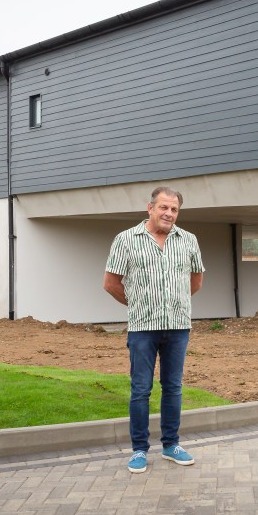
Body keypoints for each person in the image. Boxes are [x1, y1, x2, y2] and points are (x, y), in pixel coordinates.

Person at [103, 186, 205, 474]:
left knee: (173, 387)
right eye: (163, 207)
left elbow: (195, 282)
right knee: (140, 389)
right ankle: (139, 450)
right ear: (150, 208)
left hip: (178, 327)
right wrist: (137, 303)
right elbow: (111, 283)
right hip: (142, 329)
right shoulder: (125, 240)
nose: (168, 214)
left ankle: (171, 445)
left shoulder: (188, 240)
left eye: (174, 209)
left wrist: (175, 303)